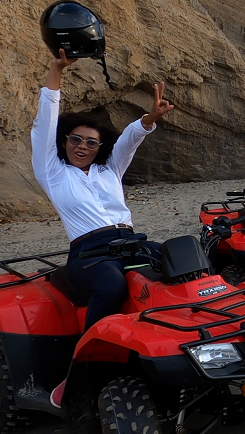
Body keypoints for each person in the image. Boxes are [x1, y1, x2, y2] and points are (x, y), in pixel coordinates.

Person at [33, 49, 174, 407]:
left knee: (182, 262)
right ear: (64, 142)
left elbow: (130, 139)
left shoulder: (109, 170)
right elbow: (45, 123)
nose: (83, 146)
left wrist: (149, 119)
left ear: (100, 147)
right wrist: (56, 72)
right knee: (111, 286)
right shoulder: (53, 172)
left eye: (91, 142)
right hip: (89, 253)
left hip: (129, 243)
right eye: (76, 140)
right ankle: (81, 369)